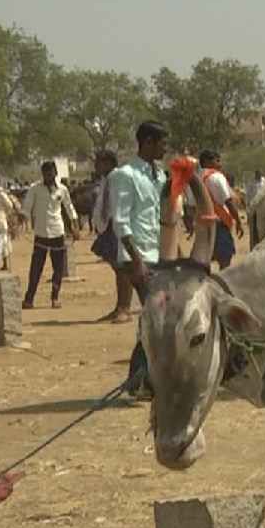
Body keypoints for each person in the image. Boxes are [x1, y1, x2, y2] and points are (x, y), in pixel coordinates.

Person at [111, 121, 168, 399]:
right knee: (155, 314)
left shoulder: (158, 175)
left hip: (156, 253)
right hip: (136, 256)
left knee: (154, 315)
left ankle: (139, 380)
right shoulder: (125, 175)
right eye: (161, 143)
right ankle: (139, 380)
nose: (165, 148)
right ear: (147, 142)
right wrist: (137, 261)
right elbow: (121, 222)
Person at [22, 161, 78, 308]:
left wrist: (74, 225)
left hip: (57, 233)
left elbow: (69, 207)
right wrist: (21, 218)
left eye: (51, 172)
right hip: (41, 234)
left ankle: (55, 297)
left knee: (58, 268)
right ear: (42, 174)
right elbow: (27, 207)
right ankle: (29, 299)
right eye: (45, 173)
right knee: (36, 268)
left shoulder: (62, 189)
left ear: (55, 173)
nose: (48, 175)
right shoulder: (35, 189)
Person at [90, 149, 134, 323]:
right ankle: (119, 307)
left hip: (118, 227)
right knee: (118, 269)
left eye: (99, 162)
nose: (96, 166)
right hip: (108, 227)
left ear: (108, 162)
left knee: (124, 269)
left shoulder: (118, 178)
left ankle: (126, 308)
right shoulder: (106, 180)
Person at [198, 149, 244, 269]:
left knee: (204, 261)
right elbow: (228, 201)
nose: (220, 164)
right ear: (207, 161)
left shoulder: (196, 178)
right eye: (217, 160)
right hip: (219, 224)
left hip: (202, 225)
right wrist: (238, 221)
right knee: (225, 260)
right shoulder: (216, 177)